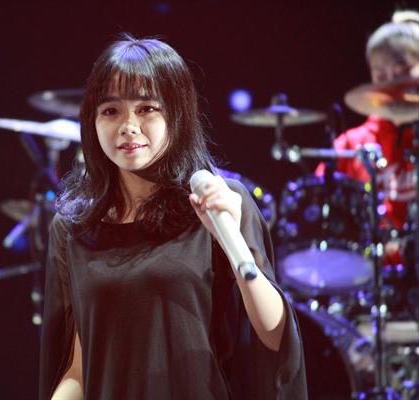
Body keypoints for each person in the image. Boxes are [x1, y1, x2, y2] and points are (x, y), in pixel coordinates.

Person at [39, 34, 307, 400]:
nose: (128, 125)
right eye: (111, 110)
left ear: (176, 114)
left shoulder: (217, 202)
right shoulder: (74, 227)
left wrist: (232, 242)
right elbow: (80, 367)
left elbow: (275, 338)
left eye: (147, 108)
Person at [316, 10, 419, 232]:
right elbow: (315, 207)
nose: (391, 85)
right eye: (381, 75)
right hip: (369, 254)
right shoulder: (350, 145)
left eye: (402, 71)